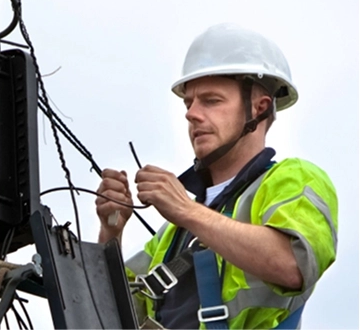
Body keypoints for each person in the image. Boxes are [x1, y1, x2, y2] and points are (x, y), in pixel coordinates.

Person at [95, 23, 338, 329]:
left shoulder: (294, 178)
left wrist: (186, 210)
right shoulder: (172, 234)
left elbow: (293, 265)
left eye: (211, 100)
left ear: (259, 108)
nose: (191, 114)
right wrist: (111, 231)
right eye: (188, 102)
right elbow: (109, 313)